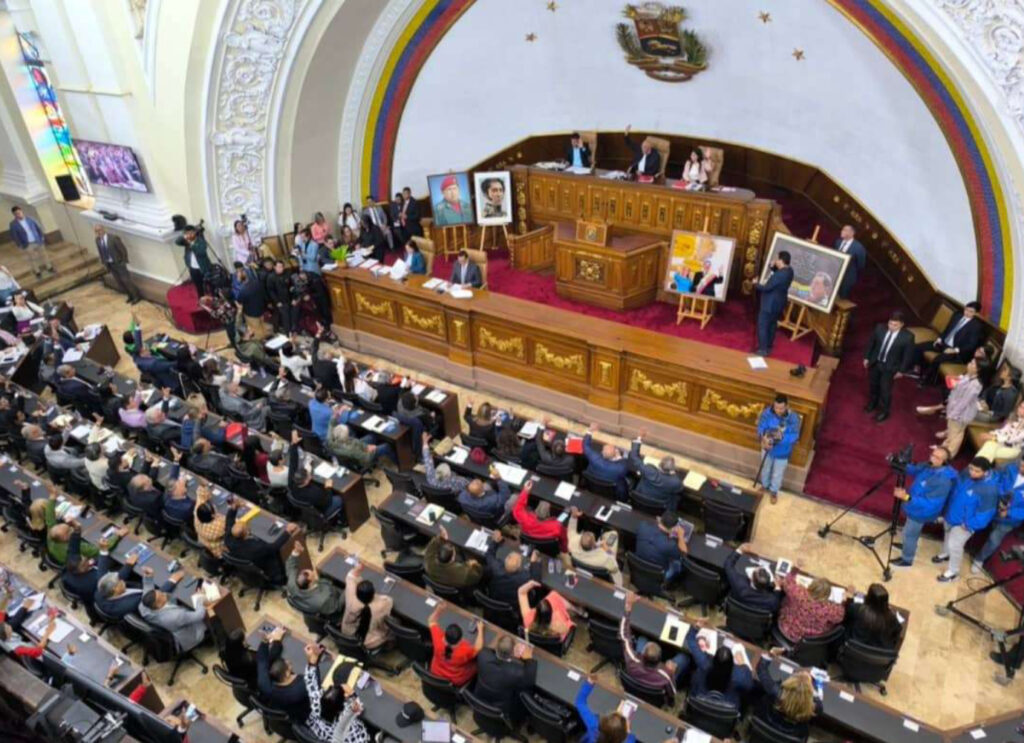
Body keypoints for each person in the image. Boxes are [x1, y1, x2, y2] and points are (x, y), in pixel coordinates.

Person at [933, 457, 1001, 581]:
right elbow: (956, 487)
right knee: (947, 536)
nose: (972, 473)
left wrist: (969, 524)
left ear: (986, 472)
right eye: (971, 468)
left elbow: (986, 514)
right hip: (951, 514)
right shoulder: (966, 473)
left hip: (965, 524)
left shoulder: (989, 490)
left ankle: (953, 572)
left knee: (955, 545)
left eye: (977, 471)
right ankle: (945, 554)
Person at [891, 447, 956, 568]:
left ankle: (907, 559)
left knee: (910, 534)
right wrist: (901, 465)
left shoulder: (943, 481)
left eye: (937, 457)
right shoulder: (930, 465)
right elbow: (916, 470)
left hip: (922, 512)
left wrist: (906, 497)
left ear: (944, 462)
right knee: (908, 532)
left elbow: (930, 503)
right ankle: (907, 545)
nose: (932, 458)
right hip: (914, 506)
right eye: (933, 454)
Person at [915, 358, 987, 457]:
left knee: (956, 434)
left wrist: (954, 414)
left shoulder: (975, 385)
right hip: (955, 408)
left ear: (978, 369)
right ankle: (945, 448)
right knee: (953, 431)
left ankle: (949, 454)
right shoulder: (968, 376)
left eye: (972, 363)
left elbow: (964, 402)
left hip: (961, 414)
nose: (969, 364)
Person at [619, 593, 686, 697]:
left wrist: (628, 606)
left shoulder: (631, 660)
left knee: (642, 638)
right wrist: (672, 673)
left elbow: (624, 636)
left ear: (642, 654)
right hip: (656, 685)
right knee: (684, 657)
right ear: (660, 659)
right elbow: (672, 693)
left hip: (637, 679)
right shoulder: (666, 675)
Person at [303, 648, 370, 743]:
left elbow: (310, 682)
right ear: (342, 705)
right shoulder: (347, 724)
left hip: (325, 734)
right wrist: (352, 694)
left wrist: (312, 662)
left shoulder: (315, 704)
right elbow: (359, 709)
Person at [225, 501, 297, 585]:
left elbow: (229, 522)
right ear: (247, 532)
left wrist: (234, 508)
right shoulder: (256, 547)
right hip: (270, 570)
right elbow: (274, 547)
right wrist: (287, 532)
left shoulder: (228, 539)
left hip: (249, 567)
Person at [685, 621, 754, 709]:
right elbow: (749, 686)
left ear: (713, 658)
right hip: (726, 707)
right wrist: (742, 664)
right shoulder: (739, 675)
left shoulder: (705, 663)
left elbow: (691, 641)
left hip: (700, 700)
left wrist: (696, 627)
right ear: (732, 663)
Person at [138, 567, 209, 652]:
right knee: (209, 612)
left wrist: (148, 577)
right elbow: (200, 615)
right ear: (159, 604)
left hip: (175, 623)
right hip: (191, 635)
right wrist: (200, 598)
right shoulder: (176, 616)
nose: (163, 593)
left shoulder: (143, 607)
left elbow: (148, 591)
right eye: (161, 595)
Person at [914, 301, 985, 386]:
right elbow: (947, 329)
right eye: (966, 310)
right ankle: (916, 369)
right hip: (944, 344)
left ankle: (925, 381)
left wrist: (954, 350)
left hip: (956, 352)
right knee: (920, 346)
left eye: (971, 312)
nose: (967, 313)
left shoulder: (976, 326)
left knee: (938, 359)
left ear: (976, 313)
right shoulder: (957, 316)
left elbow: (971, 345)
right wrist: (940, 339)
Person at [972, 460, 1024, 573]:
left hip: (1008, 520)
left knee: (994, 540)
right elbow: (996, 479)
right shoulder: (1009, 468)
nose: (1021, 468)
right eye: (1021, 465)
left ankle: (979, 559)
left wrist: (1009, 512)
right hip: (991, 506)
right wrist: (1000, 494)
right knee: (973, 524)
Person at [863, 310, 914, 423]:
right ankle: (872, 403)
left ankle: (884, 411)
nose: (891, 326)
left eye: (895, 325)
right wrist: (867, 357)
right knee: (873, 385)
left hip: (890, 367)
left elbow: (907, 356)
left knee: (885, 390)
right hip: (876, 362)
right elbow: (871, 343)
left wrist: (901, 370)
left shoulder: (908, 337)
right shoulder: (879, 328)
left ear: (901, 324)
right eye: (890, 323)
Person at [754, 654, 820, 740]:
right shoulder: (814, 707)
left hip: (768, 724)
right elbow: (818, 700)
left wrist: (770, 654)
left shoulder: (776, 692)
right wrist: (811, 687)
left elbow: (761, 670)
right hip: (793, 734)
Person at [474, 636, 537, 724]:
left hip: (480, 703)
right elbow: (529, 681)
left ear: (496, 648)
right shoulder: (516, 672)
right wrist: (529, 659)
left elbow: (487, 650)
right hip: (501, 711)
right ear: (512, 653)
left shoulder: (483, 655)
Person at [256, 627, 310, 721]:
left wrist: (266, 641)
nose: (290, 663)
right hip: (304, 715)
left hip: (280, 709)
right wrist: (313, 662)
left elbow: (262, 663)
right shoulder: (302, 686)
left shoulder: (265, 685)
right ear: (287, 674)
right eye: (288, 666)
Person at [756, 394, 801, 503]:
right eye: (776, 407)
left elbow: (795, 435)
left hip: (782, 451)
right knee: (765, 468)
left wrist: (780, 438)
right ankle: (764, 485)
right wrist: (764, 438)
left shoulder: (793, 418)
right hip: (767, 448)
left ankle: (774, 491)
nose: (778, 410)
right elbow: (761, 427)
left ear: (787, 406)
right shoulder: (767, 413)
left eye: (781, 408)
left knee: (777, 473)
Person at [428, 601, 483, 686]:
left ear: (444, 634)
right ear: (460, 640)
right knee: (477, 665)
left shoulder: (438, 639)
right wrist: (480, 630)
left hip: (436, 671)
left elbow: (431, 621)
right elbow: (478, 648)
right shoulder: (465, 650)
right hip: (455, 679)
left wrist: (439, 610)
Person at [340, 562, 393, 649]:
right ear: (372, 594)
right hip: (366, 641)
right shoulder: (380, 605)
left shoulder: (351, 597)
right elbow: (389, 600)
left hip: (347, 633)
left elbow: (350, 577)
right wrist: (377, 597)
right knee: (389, 629)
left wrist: (357, 569)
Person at [482, 531, 541, 608]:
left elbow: (489, 554)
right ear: (519, 566)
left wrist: (495, 542)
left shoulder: (496, 567)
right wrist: (534, 562)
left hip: (496, 598)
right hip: (515, 604)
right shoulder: (523, 578)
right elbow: (535, 581)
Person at [567, 507, 622, 585]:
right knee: (613, 534)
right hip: (602, 579)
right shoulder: (606, 558)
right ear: (594, 545)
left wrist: (574, 516)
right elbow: (615, 567)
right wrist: (606, 549)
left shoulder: (572, 544)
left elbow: (571, 531)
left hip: (583, 566)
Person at [627, 433, 682, 510]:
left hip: (640, 497)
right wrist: (673, 475)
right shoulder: (675, 481)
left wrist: (639, 438)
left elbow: (634, 456)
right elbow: (679, 490)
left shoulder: (649, 470)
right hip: (659, 503)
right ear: (672, 469)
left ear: (659, 465)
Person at [754, 251, 794, 357]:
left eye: (777, 259)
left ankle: (762, 350)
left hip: (769, 304)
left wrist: (756, 284)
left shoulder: (780, 275)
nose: (775, 260)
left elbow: (767, 288)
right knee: (772, 325)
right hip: (779, 303)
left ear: (781, 261)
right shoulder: (789, 271)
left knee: (762, 325)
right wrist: (772, 267)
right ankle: (769, 346)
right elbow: (777, 275)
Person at [724, 543, 782, 612]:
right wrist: (778, 587)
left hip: (735, 614)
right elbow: (775, 604)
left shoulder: (738, 583)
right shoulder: (770, 601)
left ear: (751, 578)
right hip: (753, 621)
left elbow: (728, 564)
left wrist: (740, 550)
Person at [512, 481, 568, 552]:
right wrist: (564, 550)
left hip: (534, 539)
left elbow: (517, 508)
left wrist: (525, 491)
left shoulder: (525, 519)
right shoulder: (556, 527)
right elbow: (564, 540)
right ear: (548, 515)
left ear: (535, 512)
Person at [574, 676, 634, 743]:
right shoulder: (629, 740)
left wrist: (589, 683)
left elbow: (580, 702)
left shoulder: (594, 726)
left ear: (602, 723)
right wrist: (629, 732)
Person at [634, 511, 688, 583]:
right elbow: (684, 553)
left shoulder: (642, 526)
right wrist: (680, 536)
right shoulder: (671, 545)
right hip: (657, 575)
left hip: (638, 566)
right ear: (673, 528)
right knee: (677, 564)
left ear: (660, 519)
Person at [845, 583, 902, 649]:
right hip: (877, 655)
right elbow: (898, 631)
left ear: (868, 597)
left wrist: (850, 596)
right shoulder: (891, 618)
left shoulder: (857, 609)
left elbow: (847, 614)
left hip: (854, 649)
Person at [94, 225, 141, 303]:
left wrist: (123, 261)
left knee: (126, 280)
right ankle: (130, 295)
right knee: (119, 281)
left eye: (99, 230)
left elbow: (122, 249)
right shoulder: (97, 240)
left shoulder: (113, 238)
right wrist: (104, 262)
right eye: (96, 231)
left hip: (119, 263)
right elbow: (101, 252)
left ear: (103, 229)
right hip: (110, 264)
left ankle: (136, 295)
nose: (98, 232)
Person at [582, 426, 629, 498]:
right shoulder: (621, 467)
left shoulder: (595, 459)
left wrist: (589, 431)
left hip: (594, 486)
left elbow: (585, 446)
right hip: (612, 489)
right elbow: (624, 462)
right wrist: (619, 457)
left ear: (602, 453)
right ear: (616, 453)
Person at [9, 205, 53, 278]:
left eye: (19, 212)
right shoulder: (13, 224)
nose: (19, 214)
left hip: (37, 240)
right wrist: (19, 244)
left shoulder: (30, 219)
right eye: (16, 213)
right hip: (27, 243)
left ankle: (49, 267)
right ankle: (37, 271)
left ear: (22, 211)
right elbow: (14, 236)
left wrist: (41, 236)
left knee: (44, 255)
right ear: (14, 215)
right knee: (32, 258)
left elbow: (38, 227)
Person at [833, 224, 867, 299]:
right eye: (842, 229)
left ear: (852, 233)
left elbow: (860, 265)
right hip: (834, 274)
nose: (841, 231)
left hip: (847, 278)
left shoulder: (859, 248)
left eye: (844, 230)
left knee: (842, 298)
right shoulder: (838, 242)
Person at [194, 487, 228, 559]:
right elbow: (235, 523)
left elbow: (201, 495)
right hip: (218, 551)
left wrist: (204, 485)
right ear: (213, 515)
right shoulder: (218, 526)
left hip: (203, 543)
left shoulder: (197, 515)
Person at [178, 225, 212, 292]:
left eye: (191, 233)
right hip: (193, 268)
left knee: (209, 285)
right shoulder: (186, 242)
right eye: (187, 233)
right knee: (198, 286)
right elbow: (177, 241)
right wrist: (183, 236)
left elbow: (201, 252)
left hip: (203, 267)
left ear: (194, 232)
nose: (189, 235)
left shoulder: (201, 241)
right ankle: (201, 299)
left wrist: (192, 245)